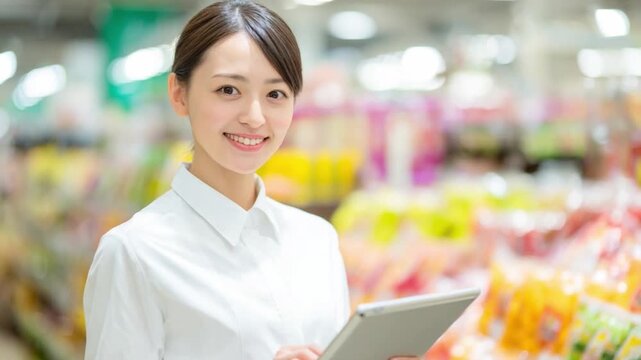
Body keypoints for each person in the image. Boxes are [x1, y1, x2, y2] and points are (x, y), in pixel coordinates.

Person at [84, 1, 418, 359]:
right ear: (179, 94)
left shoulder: (316, 240)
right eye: (229, 90)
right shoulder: (135, 253)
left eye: (275, 94)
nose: (255, 117)